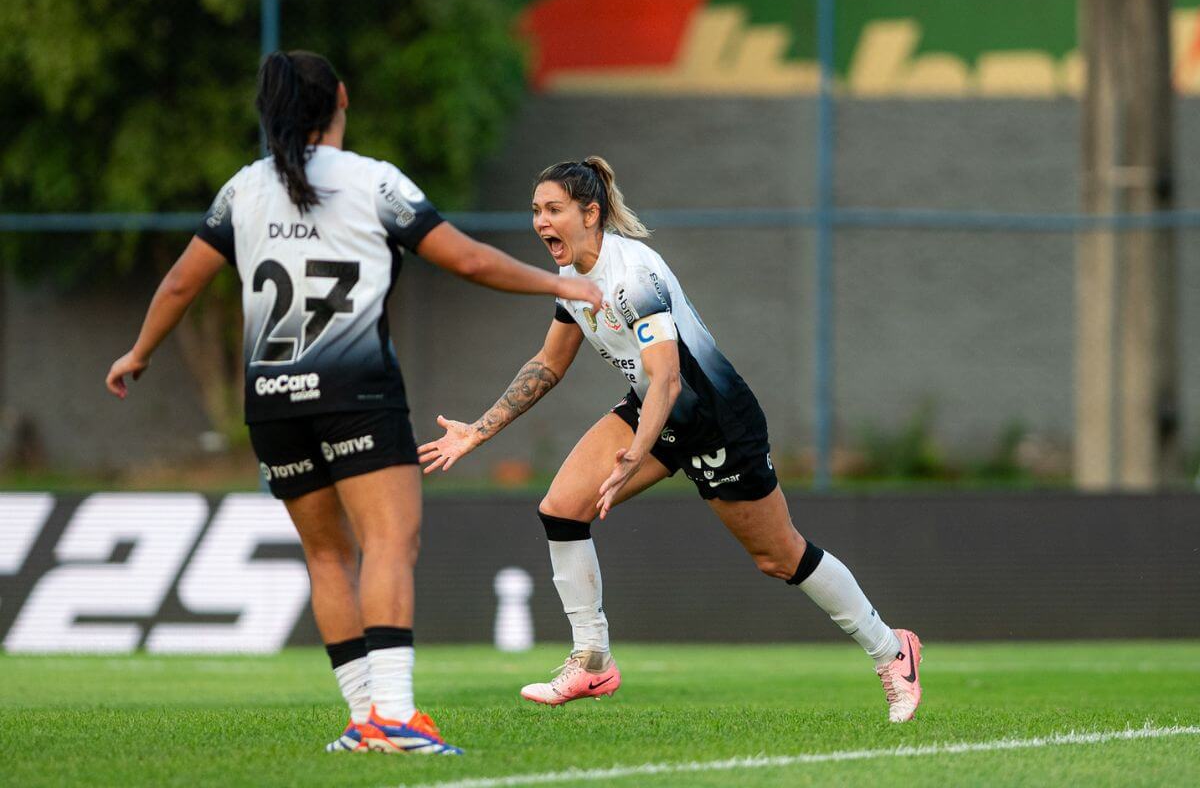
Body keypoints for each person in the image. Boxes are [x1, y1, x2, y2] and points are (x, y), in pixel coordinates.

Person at [105, 52, 601, 754]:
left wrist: (140, 352)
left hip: (271, 398)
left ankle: (363, 716)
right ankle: (393, 717)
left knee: (327, 556)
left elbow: (183, 283)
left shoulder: (244, 189)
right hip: (355, 392)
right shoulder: (373, 182)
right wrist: (560, 286)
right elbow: (465, 258)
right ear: (340, 98)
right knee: (389, 543)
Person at [418, 157, 923, 723]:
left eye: (554, 209)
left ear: (591, 213)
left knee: (778, 556)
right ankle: (592, 659)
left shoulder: (634, 275)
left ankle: (892, 650)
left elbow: (668, 376)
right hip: (656, 412)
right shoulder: (574, 282)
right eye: (536, 210)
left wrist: (635, 455)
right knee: (561, 510)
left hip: (716, 420)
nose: (541, 222)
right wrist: (476, 431)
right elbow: (549, 364)